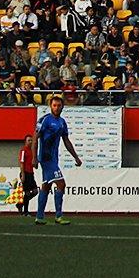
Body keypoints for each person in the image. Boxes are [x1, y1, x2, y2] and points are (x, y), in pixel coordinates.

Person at [33, 93, 83, 225]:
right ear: (50, 106)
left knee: (46, 186)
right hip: (46, 158)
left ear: (62, 107)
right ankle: (58, 216)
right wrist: (34, 158)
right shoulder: (44, 120)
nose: (56, 108)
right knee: (61, 184)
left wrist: (76, 157)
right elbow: (35, 138)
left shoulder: (62, 122)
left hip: (54, 158)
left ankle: (39, 216)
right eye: (54, 105)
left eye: (59, 105)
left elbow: (66, 140)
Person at [17, 132, 39, 217]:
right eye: (29, 140)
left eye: (31, 140)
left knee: (35, 191)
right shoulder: (23, 150)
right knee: (27, 193)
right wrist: (22, 174)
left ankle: (20, 204)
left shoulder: (33, 151)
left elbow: (35, 164)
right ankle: (25, 212)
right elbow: (21, 163)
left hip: (31, 173)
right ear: (25, 142)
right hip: (25, 173)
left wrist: (36, 163)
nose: (30, 142)